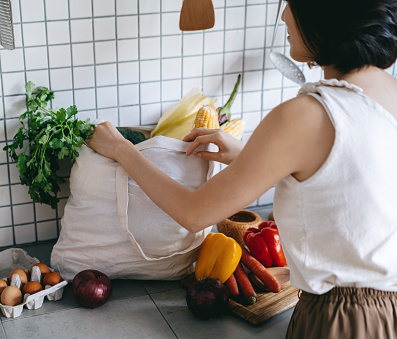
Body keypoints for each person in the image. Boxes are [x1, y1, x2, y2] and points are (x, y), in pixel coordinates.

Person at [86, 0, 397, 337]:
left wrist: (122, 149)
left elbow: (193, 213)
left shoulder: (304, 114)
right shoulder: (388, 91)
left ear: (326, 15)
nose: (283, 15)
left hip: (346, 319)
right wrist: (251, 157)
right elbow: (350, 177)